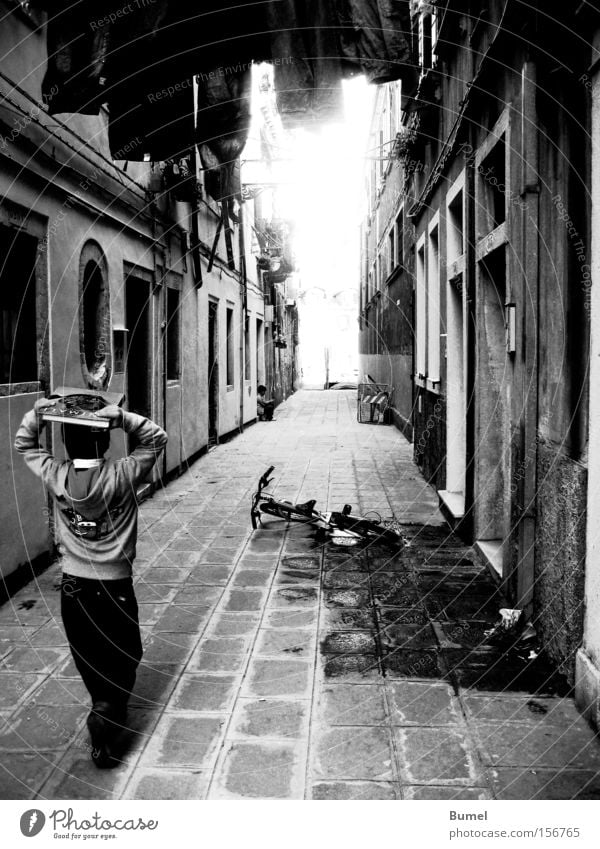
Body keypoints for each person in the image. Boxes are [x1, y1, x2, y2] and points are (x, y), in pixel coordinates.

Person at [14, 399, 167, 768]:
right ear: (104, 443)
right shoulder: (124, 473)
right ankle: (110, 711)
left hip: (74, 585)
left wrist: (39, 412)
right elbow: (156, 438)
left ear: (66, 446)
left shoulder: (55, 473)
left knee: (89, 655)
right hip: (115, 584)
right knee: (125, 651)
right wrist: (121, 418)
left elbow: (24, 444)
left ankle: (101, 704)